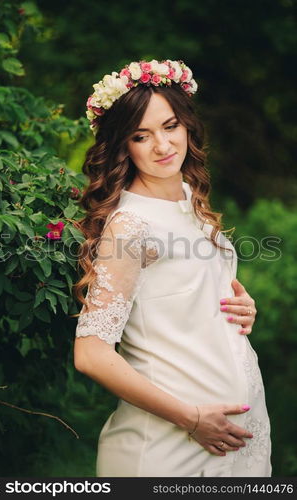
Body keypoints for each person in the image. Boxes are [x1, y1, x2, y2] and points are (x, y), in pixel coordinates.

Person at [73, 59, 272, 477]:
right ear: (123, 145)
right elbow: (90, 354)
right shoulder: (131, 225)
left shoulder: (188, 200)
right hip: (169, 446)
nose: (162, 146)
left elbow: (186, 293)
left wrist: (239, 307)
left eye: (170, 127)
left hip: (234, 442)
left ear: (187, 127)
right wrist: (191, 418)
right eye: (141, 136)